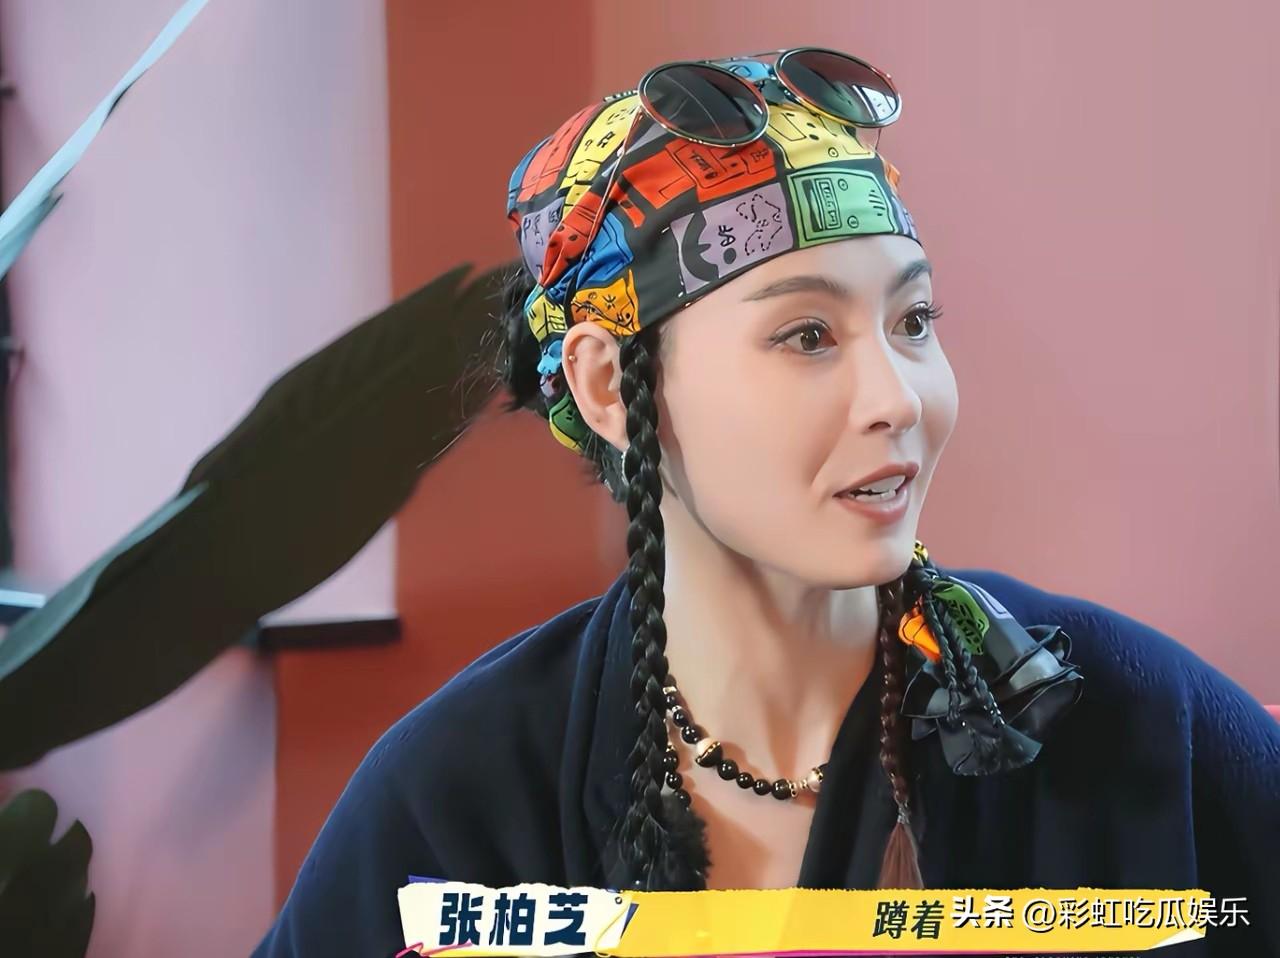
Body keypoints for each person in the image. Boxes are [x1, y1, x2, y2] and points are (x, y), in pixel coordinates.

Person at [252, 48, 1280, 958]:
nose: (896, 399)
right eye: (807, 337)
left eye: (914, 320)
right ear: (610, 389)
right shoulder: (459, 798)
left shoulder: (1130, 718)